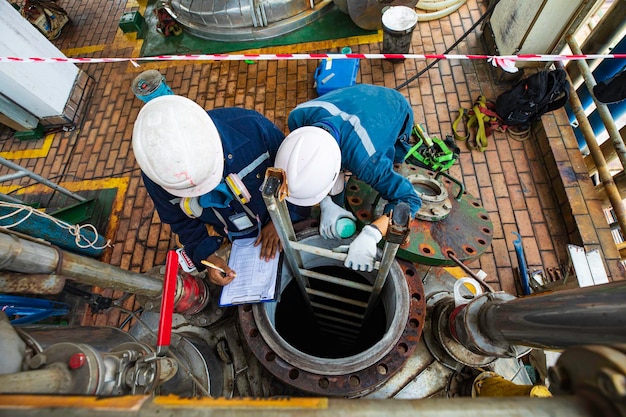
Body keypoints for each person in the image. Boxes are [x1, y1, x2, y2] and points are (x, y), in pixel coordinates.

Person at [132, 95, 288, 286]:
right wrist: (206, 256)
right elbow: (178, 220)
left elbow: (295, 176)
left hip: (278, 221)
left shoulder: (253, 129)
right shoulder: (158, 175)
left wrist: (281, 221)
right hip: (237, 238)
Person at [275, 84, 422, 272]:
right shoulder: (298, 117)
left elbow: (409, 200)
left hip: (392, 106)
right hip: (357, 99)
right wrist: (327, 203)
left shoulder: (369, 163)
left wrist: (372, 234)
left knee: (396, 164)